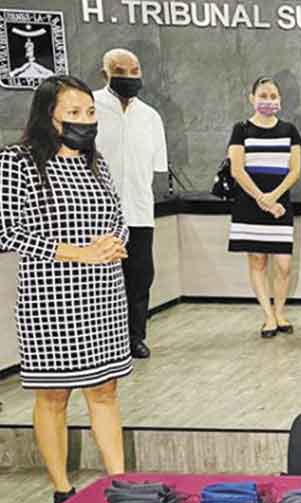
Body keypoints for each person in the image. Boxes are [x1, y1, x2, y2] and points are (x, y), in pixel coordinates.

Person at [0, 76, 132, 503]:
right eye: (73, 113)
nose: (85, 121)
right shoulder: (17, 162)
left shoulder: (96, 162)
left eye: (89, 112)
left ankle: (120, 485)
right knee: (54, 395)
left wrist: (115, 242)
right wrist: (78, 253)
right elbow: (7, 232)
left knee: (105, 390)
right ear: (48, 115)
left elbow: (117, 216)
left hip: (104, 295)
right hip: (50, 300)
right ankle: (61, 488)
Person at [94, 48, 168, 359]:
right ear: (106, 74)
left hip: (138, 210)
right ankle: (103, 341)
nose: (129, 77)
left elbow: (158, 167)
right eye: (120, 72)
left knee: (139, 277)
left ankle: (135, 337)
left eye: (134, 71)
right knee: (99, 279)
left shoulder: (150, 116)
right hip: (97, 213)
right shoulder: (90, 108)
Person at [226, 76, 301, 338]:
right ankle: (268, 316)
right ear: (252, 98)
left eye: (273, 96)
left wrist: (274, 198)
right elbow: (237, 170)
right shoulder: (241, 129)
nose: (268, 100)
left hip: (280, 204)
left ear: (280, 100)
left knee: (283, 265)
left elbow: (295, 171)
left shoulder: (290, 130)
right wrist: (262, 199)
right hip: (250, 204)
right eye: (263, 96)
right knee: (258, 261)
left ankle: (280, 312)